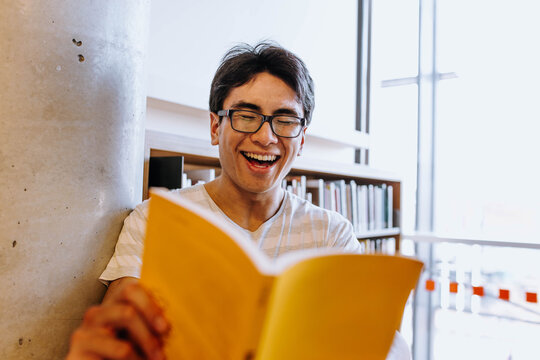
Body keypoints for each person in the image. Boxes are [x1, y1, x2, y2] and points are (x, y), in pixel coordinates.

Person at [66, 42, 410, 360]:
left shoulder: (333, 236)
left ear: (302, 138)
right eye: (247, 116)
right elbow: (119, 333)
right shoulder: (153, 220)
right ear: (216, 126)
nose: (265, 137)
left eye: (285, 120)